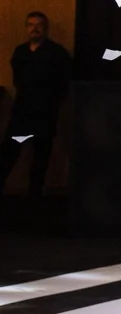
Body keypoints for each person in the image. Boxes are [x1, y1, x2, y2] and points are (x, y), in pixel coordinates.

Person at [0, 12, 72, 199]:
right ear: (26, 27)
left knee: (41, 155)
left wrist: (52, 101)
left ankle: (35, 196)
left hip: (44, 112)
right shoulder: (20, 52)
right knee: (9, 152)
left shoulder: (57, 53)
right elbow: (18, 79)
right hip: (22, 112)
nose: (35, 28)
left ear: (45, 28)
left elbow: (65, 83)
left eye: (39, 24)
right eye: (31, 24)